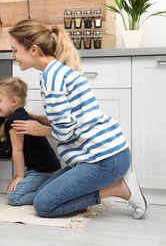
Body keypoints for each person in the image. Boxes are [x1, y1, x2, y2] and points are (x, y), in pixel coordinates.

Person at [8, 19, 148, 219]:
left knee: (44, 205)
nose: (13, 56)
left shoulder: (52, 79)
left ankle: (120, 188)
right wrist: (39, 118)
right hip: (109, 155)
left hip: (104, 160)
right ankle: (115, 183)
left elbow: (65, 132)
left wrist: (39, 129)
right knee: (45, 194)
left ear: (33, 50)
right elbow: (74, 119)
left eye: (15, 50)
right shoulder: (58, 70)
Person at [0, 77, 61, 206]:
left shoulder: (15, 120)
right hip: (41, 168)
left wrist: (20, 176)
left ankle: (53, 192)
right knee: (13, 191)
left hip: (43, 170)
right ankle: (49, 186)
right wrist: (20, 175)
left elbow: (18, 151)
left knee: (14, 197)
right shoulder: (20, 115)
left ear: (14, 101)